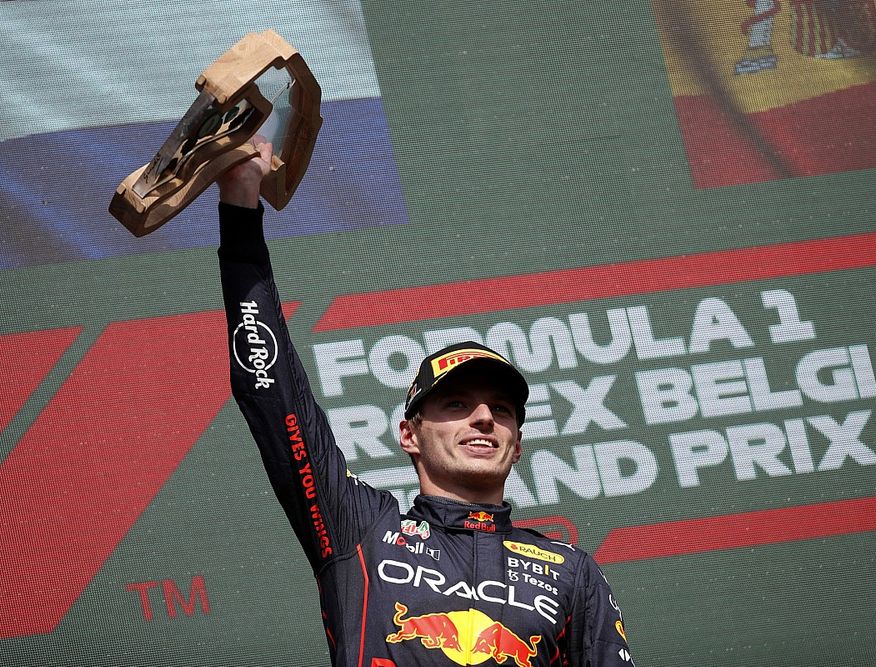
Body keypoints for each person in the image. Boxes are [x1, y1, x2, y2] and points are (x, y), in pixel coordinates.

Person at [216, 141, 636, 666]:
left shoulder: (571, 571)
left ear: (517, 445)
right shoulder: (363, 530)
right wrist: (241, 207)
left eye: (502, 410)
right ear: (409, 435)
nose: (484, 418)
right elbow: (275, 394)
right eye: (456, 404)